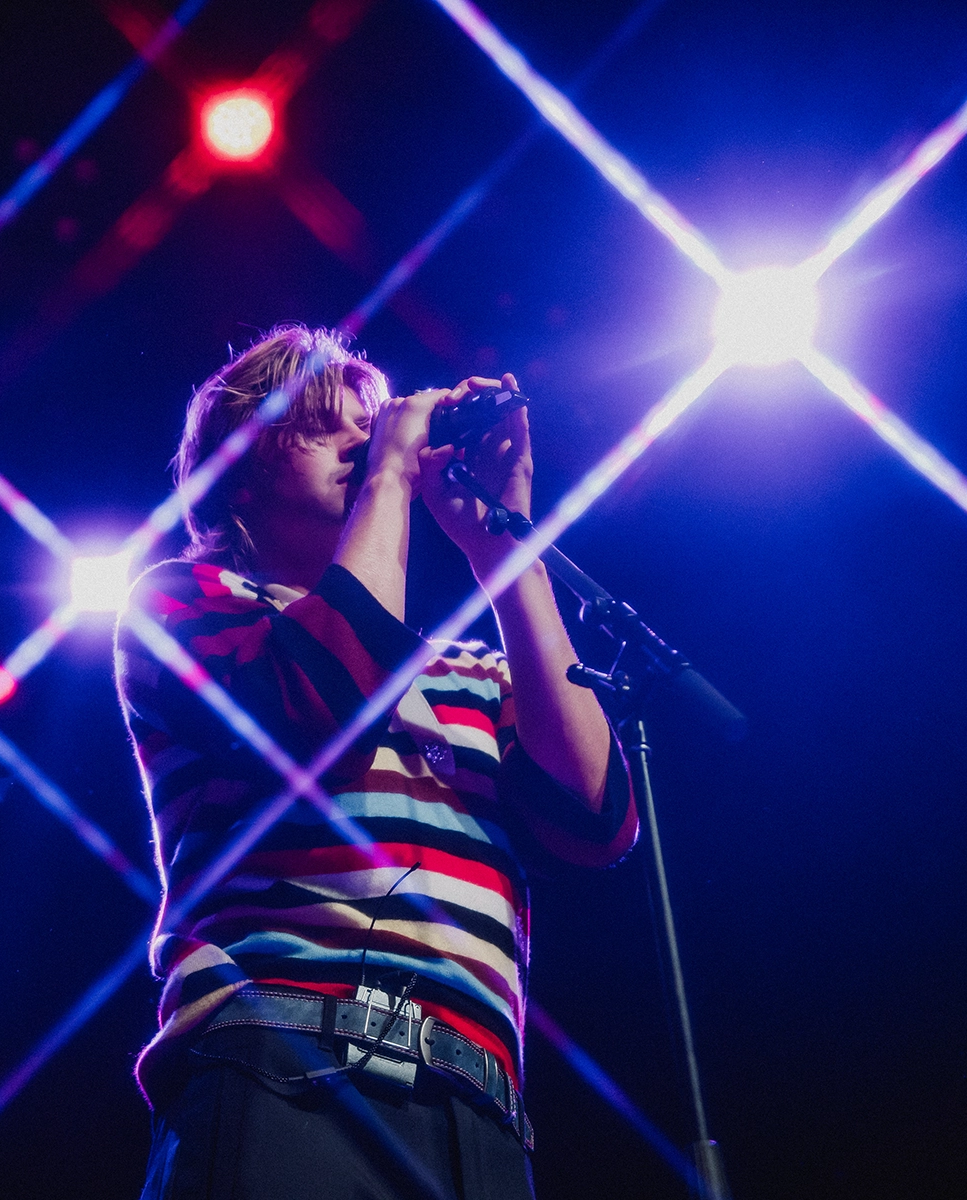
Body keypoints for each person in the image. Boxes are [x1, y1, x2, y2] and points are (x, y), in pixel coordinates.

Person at [115, 325, 638, 1198]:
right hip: (281, 1071)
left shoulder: (471, 670)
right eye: (327, 425)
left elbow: (595, 818)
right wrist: (393, 473)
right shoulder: (187, 602)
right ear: (240, 467)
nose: (364, 440)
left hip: (475, 1105)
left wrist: (500, 546)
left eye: (374, 424)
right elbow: (317, 711)